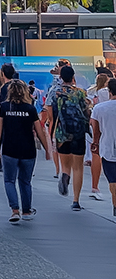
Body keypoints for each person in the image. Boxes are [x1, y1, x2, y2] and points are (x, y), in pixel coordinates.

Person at [0, 79, 50, 223]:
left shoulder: (4, 107)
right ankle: (26, 210)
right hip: (28, 150)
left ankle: (14, 210)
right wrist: (47, 150)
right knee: (25, 181)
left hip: (9, 149)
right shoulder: (30, 109)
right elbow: (39, 131)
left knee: (9, 180)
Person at [45, 65, 91, 211]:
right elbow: (86, 113)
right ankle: (76, 200)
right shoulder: (81, 93)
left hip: (62, 133)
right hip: (78, 133)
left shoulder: (54, 92)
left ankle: (64, 175)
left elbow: (51, 116)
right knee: (78, 167)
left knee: (66, 164)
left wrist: (51, 133)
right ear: (73, 77)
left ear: (60, 77)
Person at [90, 77, 116, 216]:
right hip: (108, 147)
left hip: (108, 148)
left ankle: (115, 204)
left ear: (110, 92)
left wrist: (95, 143)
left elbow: (96, 129)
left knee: (113, 180)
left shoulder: (99, 108)